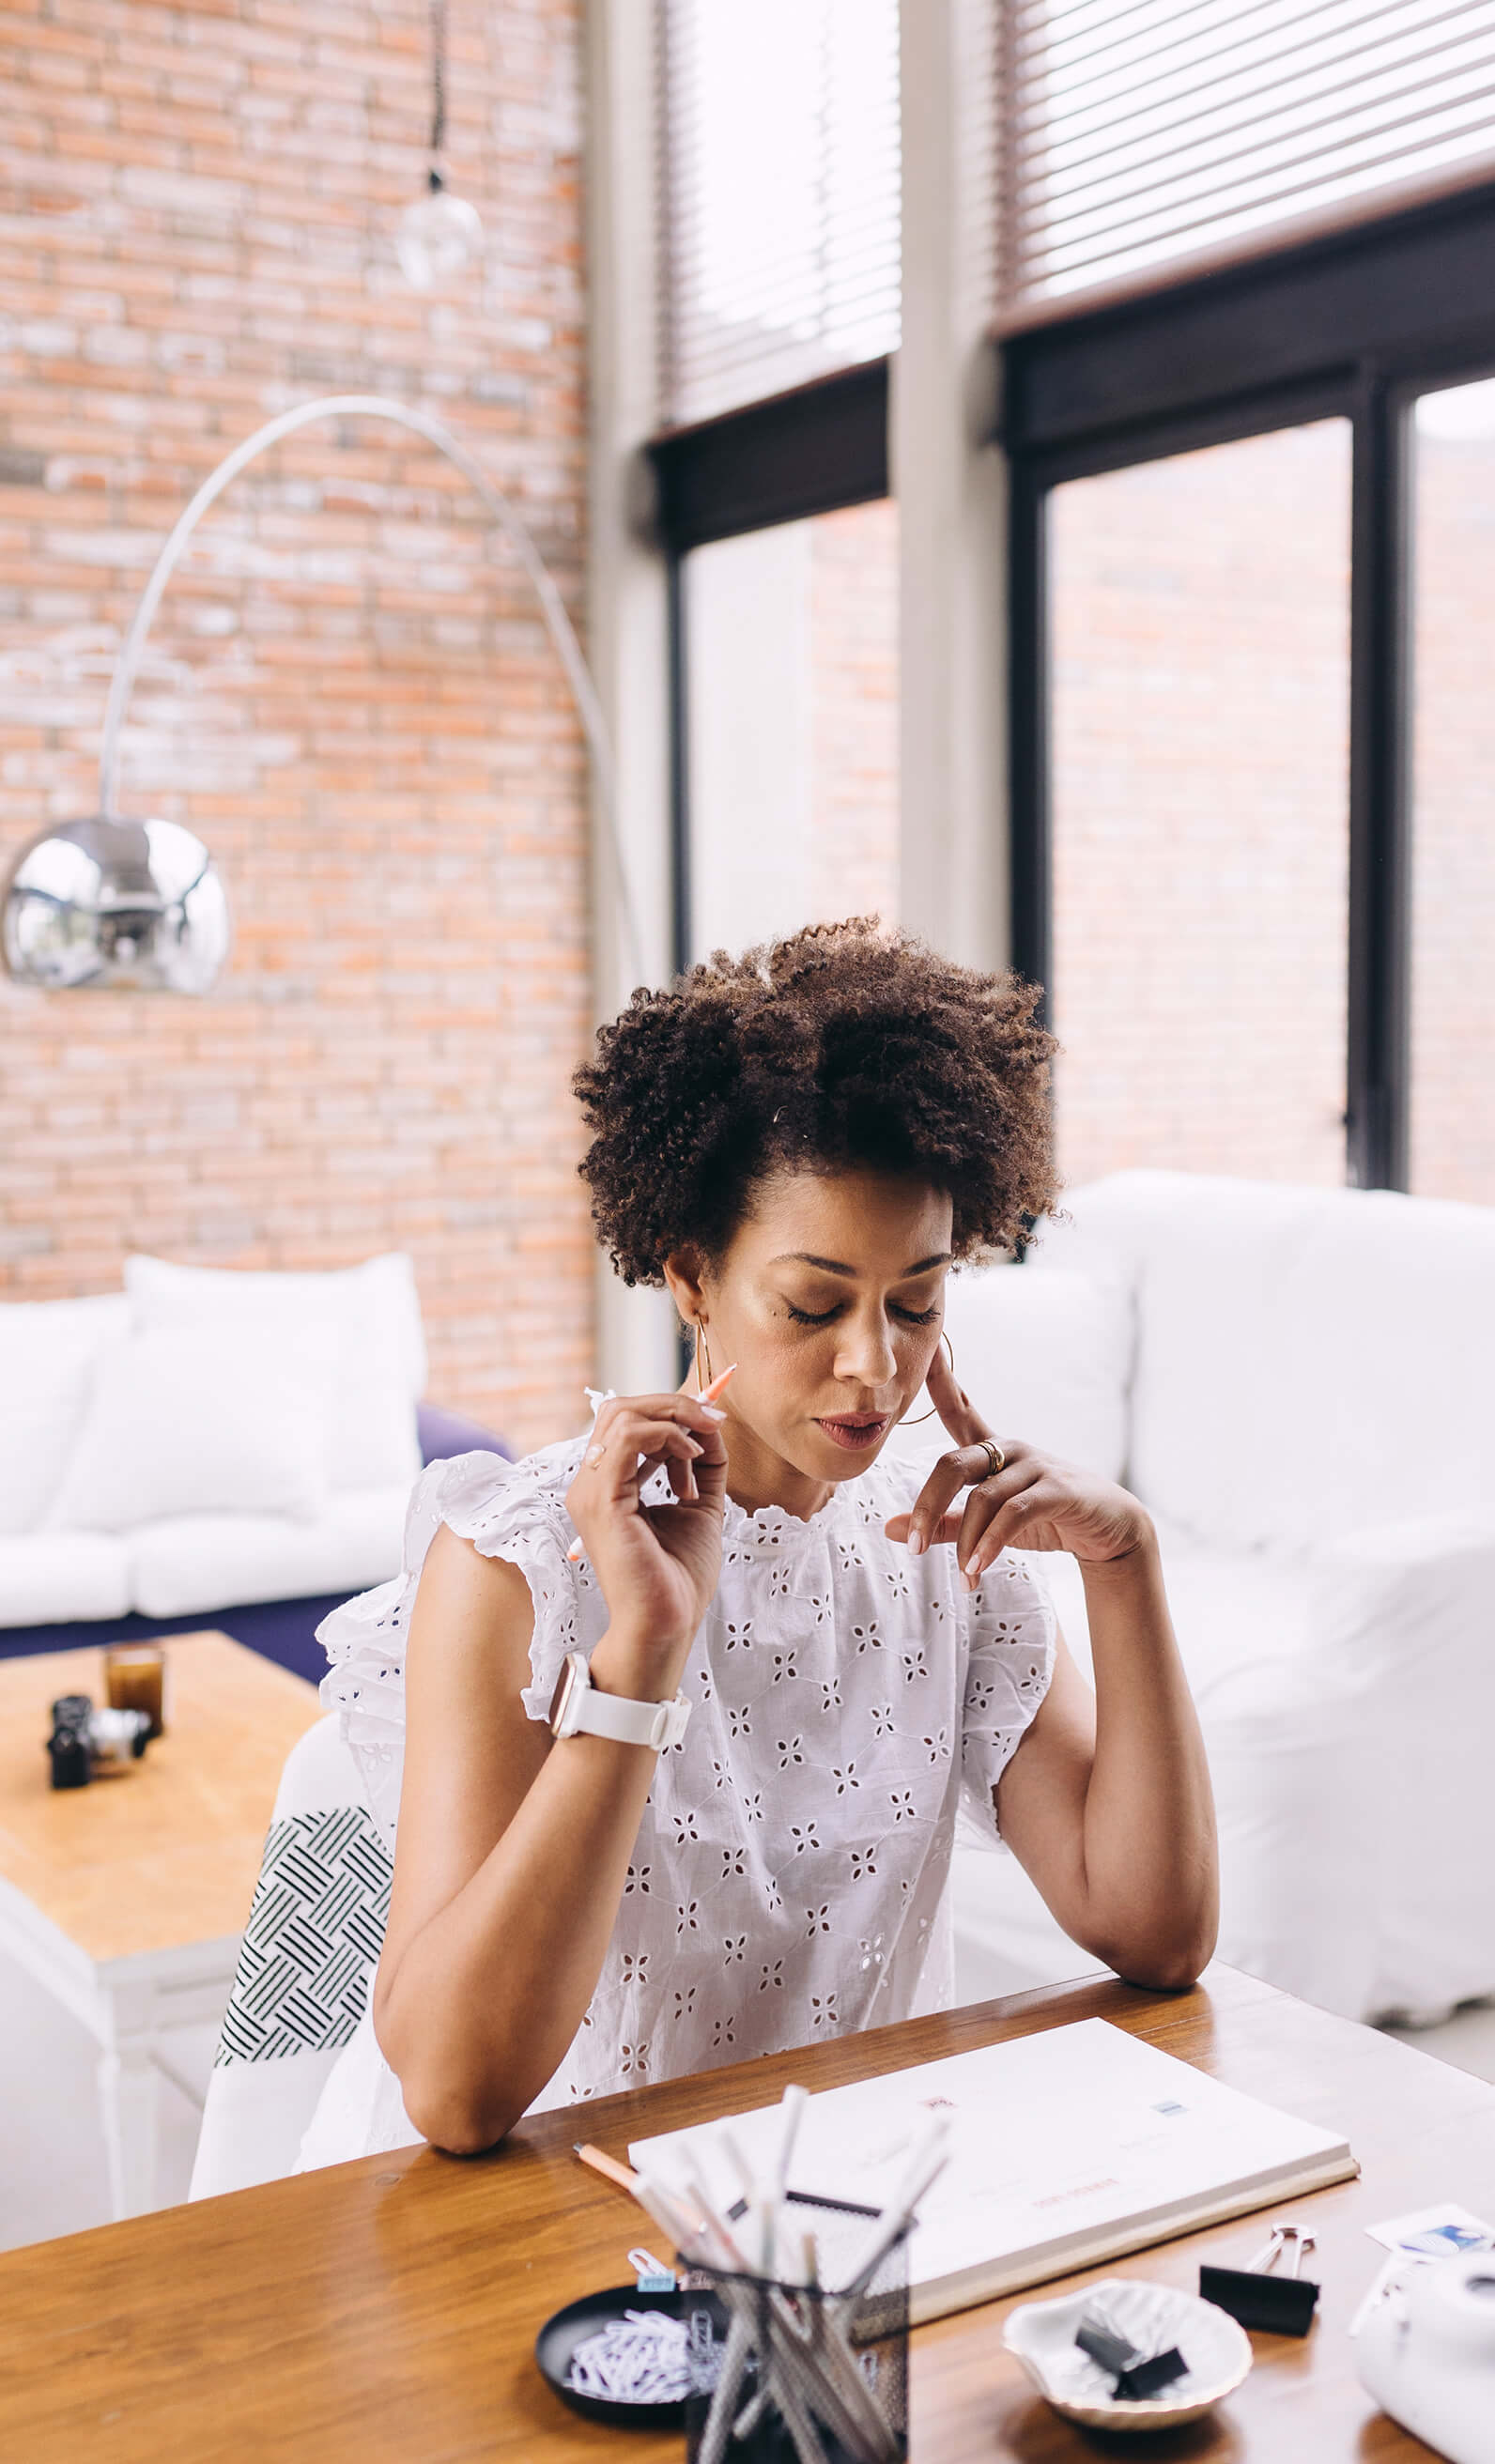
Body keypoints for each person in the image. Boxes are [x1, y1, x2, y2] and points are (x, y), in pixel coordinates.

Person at [296, 920, 1216, 2166]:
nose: (874, 1366)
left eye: (918, 1303)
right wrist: (643, 1656)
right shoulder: (518, 1564)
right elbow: (458, 2096)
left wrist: (1126, 1568)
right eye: (815, 1304)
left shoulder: (936, 1543)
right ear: (690, 1276)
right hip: (534, 2235)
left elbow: (1155, 1935)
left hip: (831, 2214)